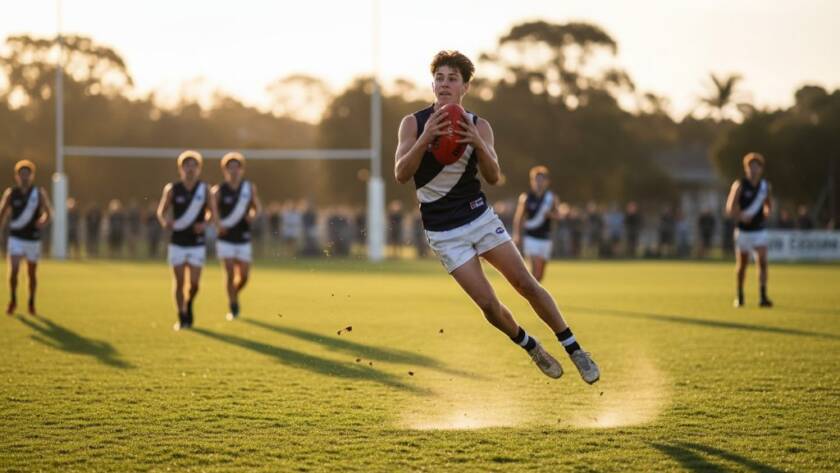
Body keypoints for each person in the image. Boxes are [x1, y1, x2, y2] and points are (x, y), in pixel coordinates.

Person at [394, 50, 599, 383]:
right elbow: (402, 173)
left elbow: (493, 177)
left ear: (465, 87)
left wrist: (478, 144)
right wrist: (425, 138)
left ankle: (575, 349)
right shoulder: (412, 123)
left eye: (453, 78)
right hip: (444, 231)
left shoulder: (479, 125)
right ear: (432, 83)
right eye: (440, 78)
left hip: (479, 218)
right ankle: (530, 345)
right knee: (489, 305)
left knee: (525, 284)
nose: (445, 84)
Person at [156, 150, 209, 330]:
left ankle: (189, 303)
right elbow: (161, 212)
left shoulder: (205, 190)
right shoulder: (172, 189)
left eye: (194, 165)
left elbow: (213, 214)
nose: (190, 169)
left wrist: (204, 224)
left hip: (197, 242)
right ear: (181, 168)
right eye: (187, 165)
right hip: (177, 241)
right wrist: (165, 222)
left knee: (194, 283)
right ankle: (181, 315)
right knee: (179, 281)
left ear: (199, 169)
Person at [209, 152, 262, 320]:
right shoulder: (218, 190)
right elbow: (212, 212)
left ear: (241, 169)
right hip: (226, 238)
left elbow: (257, 207)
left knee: (244, 276)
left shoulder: (248, 188)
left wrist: (252, 215)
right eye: (230, 168)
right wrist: (218, 225)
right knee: (230, 272)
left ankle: (233, 294)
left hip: (243, 237)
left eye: (236, 167)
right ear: (225, 170)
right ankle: (233, 305)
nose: (233, 171)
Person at [0, 160, 53, 315]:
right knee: (14, 270)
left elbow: (48, 214)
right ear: (17, 176)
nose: (24, 177)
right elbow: (2, 214)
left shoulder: (38, 193)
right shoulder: (11, 193)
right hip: (16, 237)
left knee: (31, 273)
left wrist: (42, 222)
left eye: (27, 174)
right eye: (21, 174)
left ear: (32, 176)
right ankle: (13, 300)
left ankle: (31, 301)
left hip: (32, 238)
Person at [725, 152, 773, 308]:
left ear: (761, 169)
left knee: (763, 262)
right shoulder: (739, 185)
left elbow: (768, 205)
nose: (753, 170)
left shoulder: (765, 187)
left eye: (756, 167)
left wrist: (766, 213)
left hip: (759, 231)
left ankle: (763, 296)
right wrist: (740, 216)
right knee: (742, 265)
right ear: (746, 169)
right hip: (743, 231)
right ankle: (739, 296)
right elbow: (730, 208)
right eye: (750, 167)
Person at [513, 166, 559, 282]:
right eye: (536, 180)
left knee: (540, 275)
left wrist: (550, 215)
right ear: (532, 181)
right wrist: (517, 235)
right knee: (533, 272)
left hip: (545, 239)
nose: (539, 183)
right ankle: (532, 297)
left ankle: (535, 295)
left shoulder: (551, 198)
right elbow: (518, 218)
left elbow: (558, 216)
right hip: (531, 238)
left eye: (541, 180)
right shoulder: (526, 198)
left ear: (547, 182)